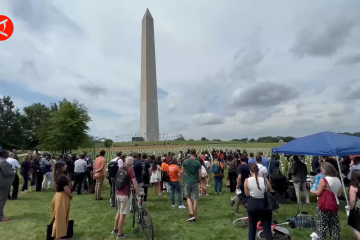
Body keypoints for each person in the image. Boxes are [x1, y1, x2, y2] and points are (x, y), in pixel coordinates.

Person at [310, 162, 341, 240]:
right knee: (334, 225)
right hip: (335, 204)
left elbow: (318, 193)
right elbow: (339, 194)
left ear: (325, 170)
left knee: (322, 225)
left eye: (322, 169)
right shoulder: (338, 179)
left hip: (324, 205)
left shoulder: (324, 180)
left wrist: (311, 190)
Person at [112, 157, 141, 239]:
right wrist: (138, 192)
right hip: (124, 194)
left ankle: (115, 229)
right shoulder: (130, 169)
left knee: (119, 211)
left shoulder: (121, 168)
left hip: (118, 193)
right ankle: (120, 234)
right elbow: (134, 181)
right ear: (132, 163)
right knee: (122, 215)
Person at [244, 164, 273, 240]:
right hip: (264, 204)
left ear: (250, 171)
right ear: (258, 171)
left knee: (252, 227)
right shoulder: (265, 180)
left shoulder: (247, 181)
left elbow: (247, 194)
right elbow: (269, 190)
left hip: (252, 204)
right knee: (267, 228)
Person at [51, 162, 72, 239]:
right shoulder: (62, 176)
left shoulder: (57, 175)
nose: (66, 166)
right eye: (65, 165)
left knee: (59, 216)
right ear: (62, 167)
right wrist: (70, 196)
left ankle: (57, 233)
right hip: (62, 197)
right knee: (60, 217)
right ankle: (58, 236)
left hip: (58, 196)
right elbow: (66, 189)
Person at [183, 149, 202, 221]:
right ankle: (194, 214)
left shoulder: (185, 161)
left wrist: (183, 180)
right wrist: (199, 180)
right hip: (195, 181)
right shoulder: (198, 162)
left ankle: (191, 214)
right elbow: (200, 174)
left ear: (190, 153)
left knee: (188, 198)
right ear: (195, 153)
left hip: (187, 181)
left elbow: (183, 172)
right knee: (196, 198)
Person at [0, 150, 15, 222]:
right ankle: (0, 217)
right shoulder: (3, 162)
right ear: (2, 154)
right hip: (2, 183)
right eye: (6, 153)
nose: (8, 154)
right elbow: (7, 173)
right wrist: (13, 171)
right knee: (2, 199)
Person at [348, 169, 360, 239]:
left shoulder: (353, 187)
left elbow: (352, 200)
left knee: (358, 228)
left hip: (357, 209)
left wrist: (351, 207)